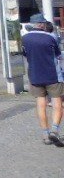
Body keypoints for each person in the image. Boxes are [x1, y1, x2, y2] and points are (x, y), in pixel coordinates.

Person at [20, 13, 63, 146]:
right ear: (42, 24)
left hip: (35, 75)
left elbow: (25, 54)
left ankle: (45, 133)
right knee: (57, 104)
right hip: (53, 75)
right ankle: (54, 131)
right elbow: (58, 55)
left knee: (41, 104)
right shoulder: (51, 38)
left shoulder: (24, 38)